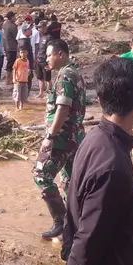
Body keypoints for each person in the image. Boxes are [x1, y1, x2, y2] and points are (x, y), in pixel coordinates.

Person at [61, 58, 133, 265]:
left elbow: (74, 215)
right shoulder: (113, 166)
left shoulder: (94, 139)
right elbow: (88, 240)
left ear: (100, 99)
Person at [34, 39, 87, 239]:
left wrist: (50, 136)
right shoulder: (76, 74)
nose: (47, 59)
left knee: (41, 175)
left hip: (62, 138)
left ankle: (61, 222)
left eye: (49, 55)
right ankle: (77, 223)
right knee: (69, 181)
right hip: (75, 137)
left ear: (61, 54)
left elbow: (63, 108)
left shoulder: (65, 76)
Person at [34, 21, 51, 98]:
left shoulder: (49, 38)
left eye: (40, 28)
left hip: (45, 61)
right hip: (39, 60)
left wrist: (49, 61)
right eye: (38, 28)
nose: (39, 29)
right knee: (40, 78)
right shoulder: (40, 37)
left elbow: (50, 50)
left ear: (45, 28)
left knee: (47, 78)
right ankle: (41, 93)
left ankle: (50, 94)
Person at [3, 11, 19, 87]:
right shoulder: (12, 26)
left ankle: (8, 79)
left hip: (6, 47)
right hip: (12, 47)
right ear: (12, 17)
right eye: (14, 16)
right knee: (11, 64)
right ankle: (9, 79)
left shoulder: (5, 25)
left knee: (9, 62)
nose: (15, 18)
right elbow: (17, 38)